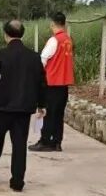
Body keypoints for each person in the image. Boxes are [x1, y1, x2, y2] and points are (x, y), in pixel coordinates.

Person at [0, 20, 46, 192]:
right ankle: (17, 182)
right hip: (23, 109)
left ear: (5, 34)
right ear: (22, 34)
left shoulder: (0, 54)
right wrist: (41, 105)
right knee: (20, 145)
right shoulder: (34, 57)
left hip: (2, 106)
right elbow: (42, 83)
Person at [30, 12, 74, 152]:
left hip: (52, 82)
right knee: (58, 114)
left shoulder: (54, 40)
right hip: (64, 83)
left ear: (52, 24)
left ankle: (45, 141)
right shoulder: (68, 39)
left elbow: (43, 59)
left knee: (48, 113)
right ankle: (57, 142)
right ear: (64, 23)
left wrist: (36, 77)